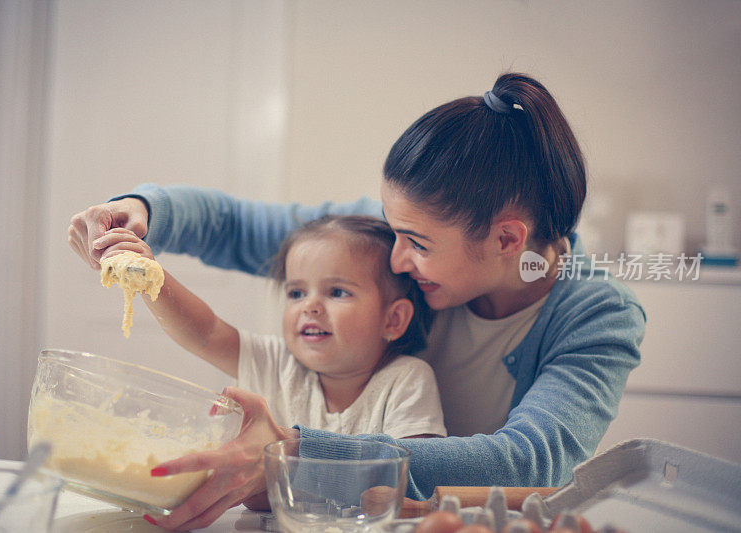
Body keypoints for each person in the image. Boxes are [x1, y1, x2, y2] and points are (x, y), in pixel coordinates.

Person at [68, 72, 646, 530]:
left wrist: (297, 453)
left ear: (507, 239)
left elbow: (525, 464)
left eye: (417, 243)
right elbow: (237, 224)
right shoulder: (396, 238)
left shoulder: (597, 316)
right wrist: (137, 213)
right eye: (394, 230)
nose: (394, 259)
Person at [88, 215, 446, 439]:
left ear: (393, 319)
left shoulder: (407, 380)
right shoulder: (276, 361)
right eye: (296, 292)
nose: (310, 306)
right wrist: (150, 275)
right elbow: (205, 332)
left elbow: (414, 472)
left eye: (337, 292)